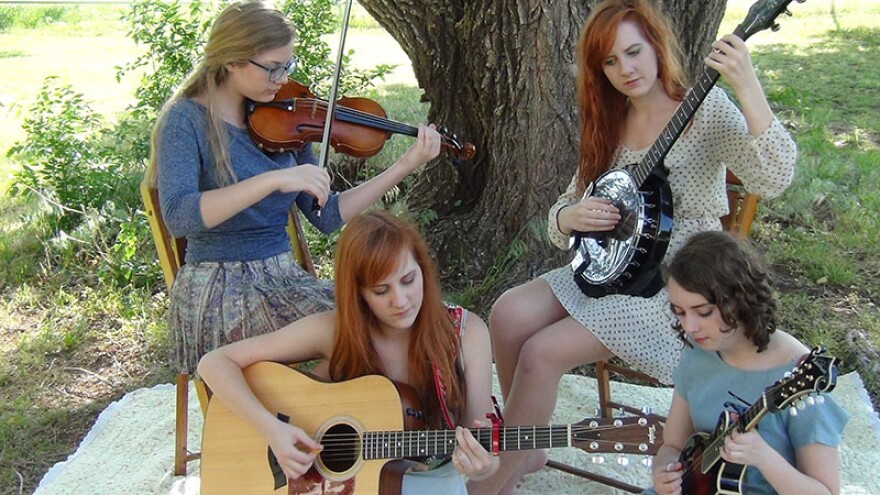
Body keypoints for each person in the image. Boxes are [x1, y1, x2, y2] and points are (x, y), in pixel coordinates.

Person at [472, 0, 797, 492]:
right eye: (610, 61)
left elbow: (774, 177)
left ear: (657, 45)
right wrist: (571, 215)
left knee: (542, 354)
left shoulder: (703, 108)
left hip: (678, 280)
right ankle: (528, 442)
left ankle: (491, 481)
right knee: (508, 313)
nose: (625, 69)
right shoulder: (610, 118)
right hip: (614, 263)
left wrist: (747, 85)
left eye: (633, 52)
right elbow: (562, 216)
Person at [148, 1, 442, 372]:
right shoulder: (185, 121)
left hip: (282, 279)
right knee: (361, 335)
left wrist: (404, 166)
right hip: (220, 289)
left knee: (383, 319)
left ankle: (322, 405)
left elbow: (326, 215)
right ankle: (310, 410)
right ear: (231, 60)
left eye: (288, 66)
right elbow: (179, 216)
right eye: (272, 68)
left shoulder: (286, 113)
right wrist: (273, 179)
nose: (283, 79)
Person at [198, 210, 499, 494]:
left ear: (423, 270)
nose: (401, 300)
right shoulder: (333, 331)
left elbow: (482, 441)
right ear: (358, 294)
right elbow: (214, 363)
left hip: (432, 481)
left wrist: (482, 465)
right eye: (381, 290)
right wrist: (273, 430)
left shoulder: (466, 333)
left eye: (409, 280)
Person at [649, 230, 849, 495]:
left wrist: (764, 458)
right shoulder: (698, 354)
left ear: (740, 299)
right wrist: (664, 470)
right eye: (680, 312)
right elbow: (673, 445)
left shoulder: (800, 375)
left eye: (704, 312)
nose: (690, 326)